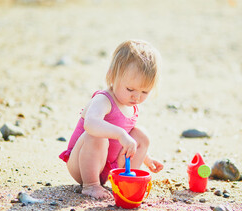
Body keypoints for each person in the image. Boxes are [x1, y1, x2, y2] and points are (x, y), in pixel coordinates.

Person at [59, 40, 164, 199]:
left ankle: (128, 180)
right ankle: (90, 185)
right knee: (98, 136)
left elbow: (128, 136)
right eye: (130, 89)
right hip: (82, 164)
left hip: (109, 167)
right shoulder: (104, 99)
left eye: (145, 92)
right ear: (112, 76)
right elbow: (90, 124)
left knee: (141, 135)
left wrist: (147, 159)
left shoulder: (132, 105)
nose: (136, 96)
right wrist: (120, 134)